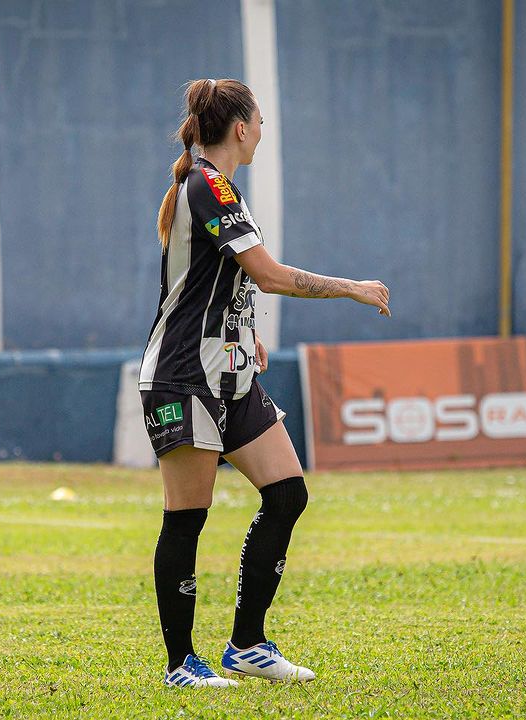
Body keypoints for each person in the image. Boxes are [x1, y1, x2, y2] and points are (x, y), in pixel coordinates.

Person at [139, 78, 390, 689]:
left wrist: (244, 334)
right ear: (241, 128)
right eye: (259, 122)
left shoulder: (217, 187)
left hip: (230, 375)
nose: (262, 132)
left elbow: (216, 281)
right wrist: (352, 288)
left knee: (287, 494)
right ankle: (180, 666)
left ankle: (247, 645)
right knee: (186, 519)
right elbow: (269, 274)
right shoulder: (207, 183)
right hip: (183, 377)